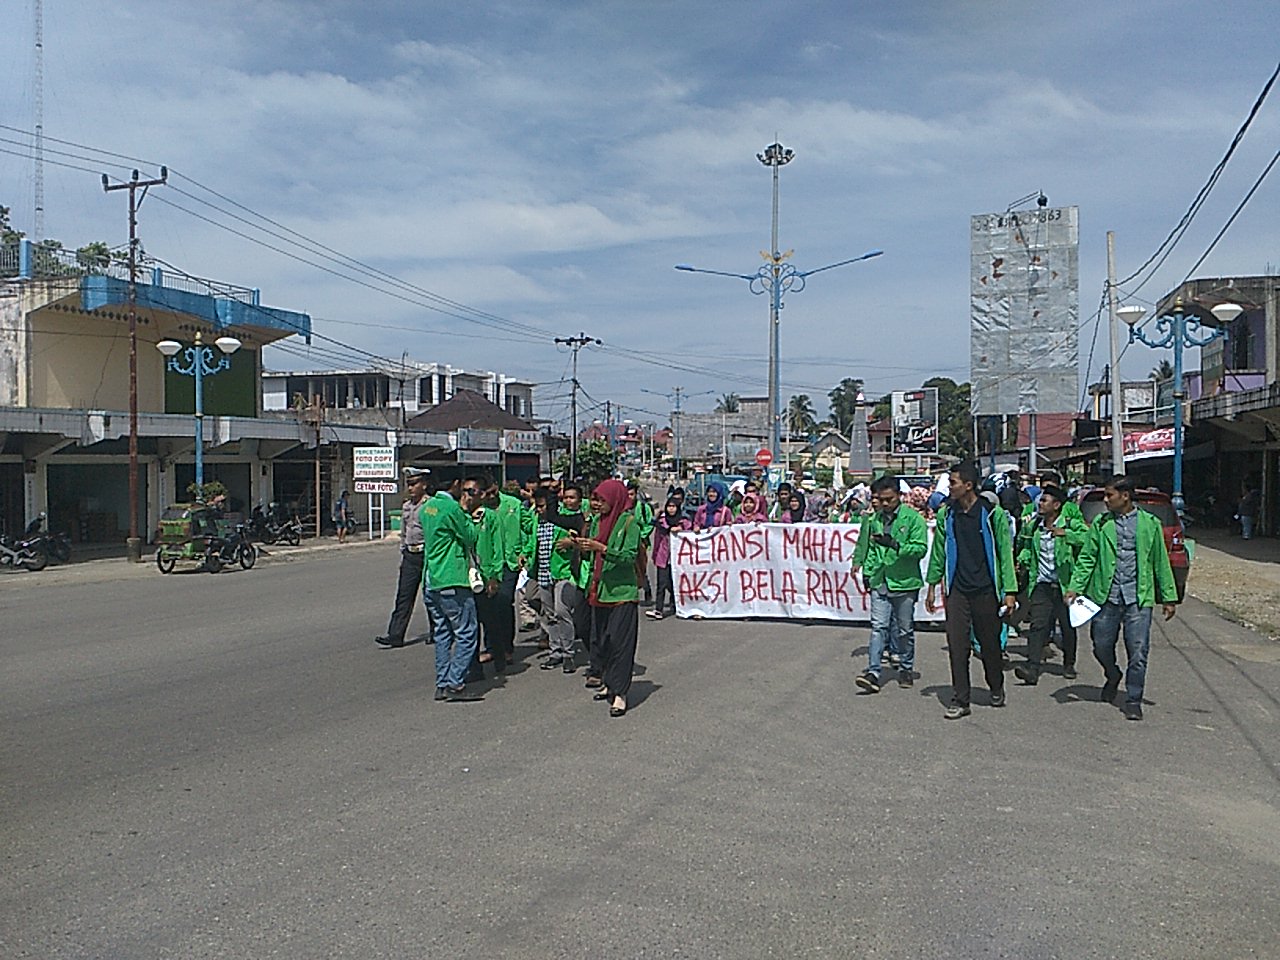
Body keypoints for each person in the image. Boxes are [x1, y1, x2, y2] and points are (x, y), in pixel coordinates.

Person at [1066, 474, 1177, 721]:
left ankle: (1134, 698)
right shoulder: (1101, 524)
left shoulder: (1150, 524)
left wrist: (1169, 597)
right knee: (1101, 645)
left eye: (1109, 495)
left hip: (1138, 599)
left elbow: (1160, 561)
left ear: (1125, 496)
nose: (1106, 500)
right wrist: (1075, 587)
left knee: (1138, 650)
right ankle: (1112, 674)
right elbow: (1087, 558)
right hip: (1106, 597)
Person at [926, 462, 1018, 720]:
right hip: (958, 589)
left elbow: (1004, 553)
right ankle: (961, 699)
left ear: (968, 485)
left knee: (989, 645)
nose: (949, 487)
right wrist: (932, 586)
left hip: (986, 589)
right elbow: (939, 552)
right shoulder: (947, 514)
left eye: (953, 482)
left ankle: (996, 685)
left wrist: (1009, 591)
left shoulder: (991, 514)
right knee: (957, 645)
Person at [852, 475, 928, 693]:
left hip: (904, 582)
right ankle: (873, 671)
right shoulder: (873, 519)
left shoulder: (914, 519)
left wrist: (896, 545)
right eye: (880, 499)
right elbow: (869, 548)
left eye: (889, 499)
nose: (884, 504)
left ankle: (906, 667)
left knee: (904, 629)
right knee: (878, 627)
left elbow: (920, 549)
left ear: (899, 496)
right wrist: (866, 570)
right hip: (880, 580)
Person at [576, 479, 641, 717]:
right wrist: (583, 547)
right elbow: (592, 557)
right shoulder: (597, 522)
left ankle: (620, 693)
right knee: (600, 641)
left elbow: (628, 557)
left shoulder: (629, 523)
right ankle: (608, 681)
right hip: (599, 591)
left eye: (602, 500)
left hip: (622, 593)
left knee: (619, 642)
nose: (597, 504)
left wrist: (602, 549)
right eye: (596, 499)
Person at [1012, 484, 1086, 684]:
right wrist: (1023, 559)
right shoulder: (1035, 525)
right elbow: (1028, 547)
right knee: (1038, 626)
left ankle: (1069, 663)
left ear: (1057, 505)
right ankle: (1032, 668)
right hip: (1042, 585)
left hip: (1065, 585)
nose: (1040, 504)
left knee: (1067, 626)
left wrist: (1066, 535)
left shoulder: (1071, 523)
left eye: (1045, 501)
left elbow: (1089, 540)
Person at [419, 477, 482, 700]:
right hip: (451, 578)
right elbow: (470, 537)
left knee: (443, 633)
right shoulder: (452, 509)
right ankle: (455, 683)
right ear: (455, 484)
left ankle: (442, 681)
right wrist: (467, 514)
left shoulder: (427, 507)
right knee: (466, 632)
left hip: (431, 578)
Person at [375, 467, 432, 648]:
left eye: (414, 484)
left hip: (427, 555)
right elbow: (404, 530)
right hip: (410, 555)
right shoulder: (407, 506)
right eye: (408, 484)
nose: (411, 488)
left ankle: (438, 632)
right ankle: (395, 634)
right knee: (403, 597)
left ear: (424, 484)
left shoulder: (430, 505)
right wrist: (403, 549)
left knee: (431, 597)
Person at [474, 476, 524, 675]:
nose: (492, 496)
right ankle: (492, 647)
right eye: (488, 494)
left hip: (509, 563)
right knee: (487, 606)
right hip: (485, 565)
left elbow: (528, 528)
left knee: (503, 603)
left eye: (495, 492)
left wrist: (525, 552)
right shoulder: (477, 512)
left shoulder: (514, 505)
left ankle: (506, 647)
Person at [527, 488, 580, 673]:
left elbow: (581, 538)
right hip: (542, 573)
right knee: (549, 615)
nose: (539, 510)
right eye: (537, 506)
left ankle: (568, 653)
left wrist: (571, 543)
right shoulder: (536, 521)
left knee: (561, 612)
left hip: (562, 573)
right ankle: (555, 651)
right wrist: (525, 554)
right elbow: (531, 542)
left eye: (542, 506)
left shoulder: (564, 520)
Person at [648, 496, 690, 620]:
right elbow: (653, 527)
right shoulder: (662, 521)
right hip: (663, 557)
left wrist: (681, 529)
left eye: (673, 506)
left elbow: (692, 529)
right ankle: (658, 609)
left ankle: (676, 604)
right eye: (669, 506)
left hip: (678, 558)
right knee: (661, 584)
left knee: (673, 584)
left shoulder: (684, 521)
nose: (671, 509)